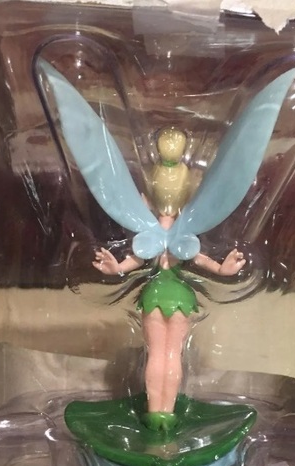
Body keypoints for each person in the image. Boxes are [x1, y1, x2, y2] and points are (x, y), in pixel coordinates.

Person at [93, 128, 245, 431]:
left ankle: (157, 412)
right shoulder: (183, 233)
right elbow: (198, 259)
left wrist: (117, 266)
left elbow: (137, 259)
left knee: (158, 356)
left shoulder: (152, 232)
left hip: (154, 296)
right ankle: (166, 411)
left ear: (146, 199)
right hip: (180, 299)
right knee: (171, 355)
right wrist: (222, 269)